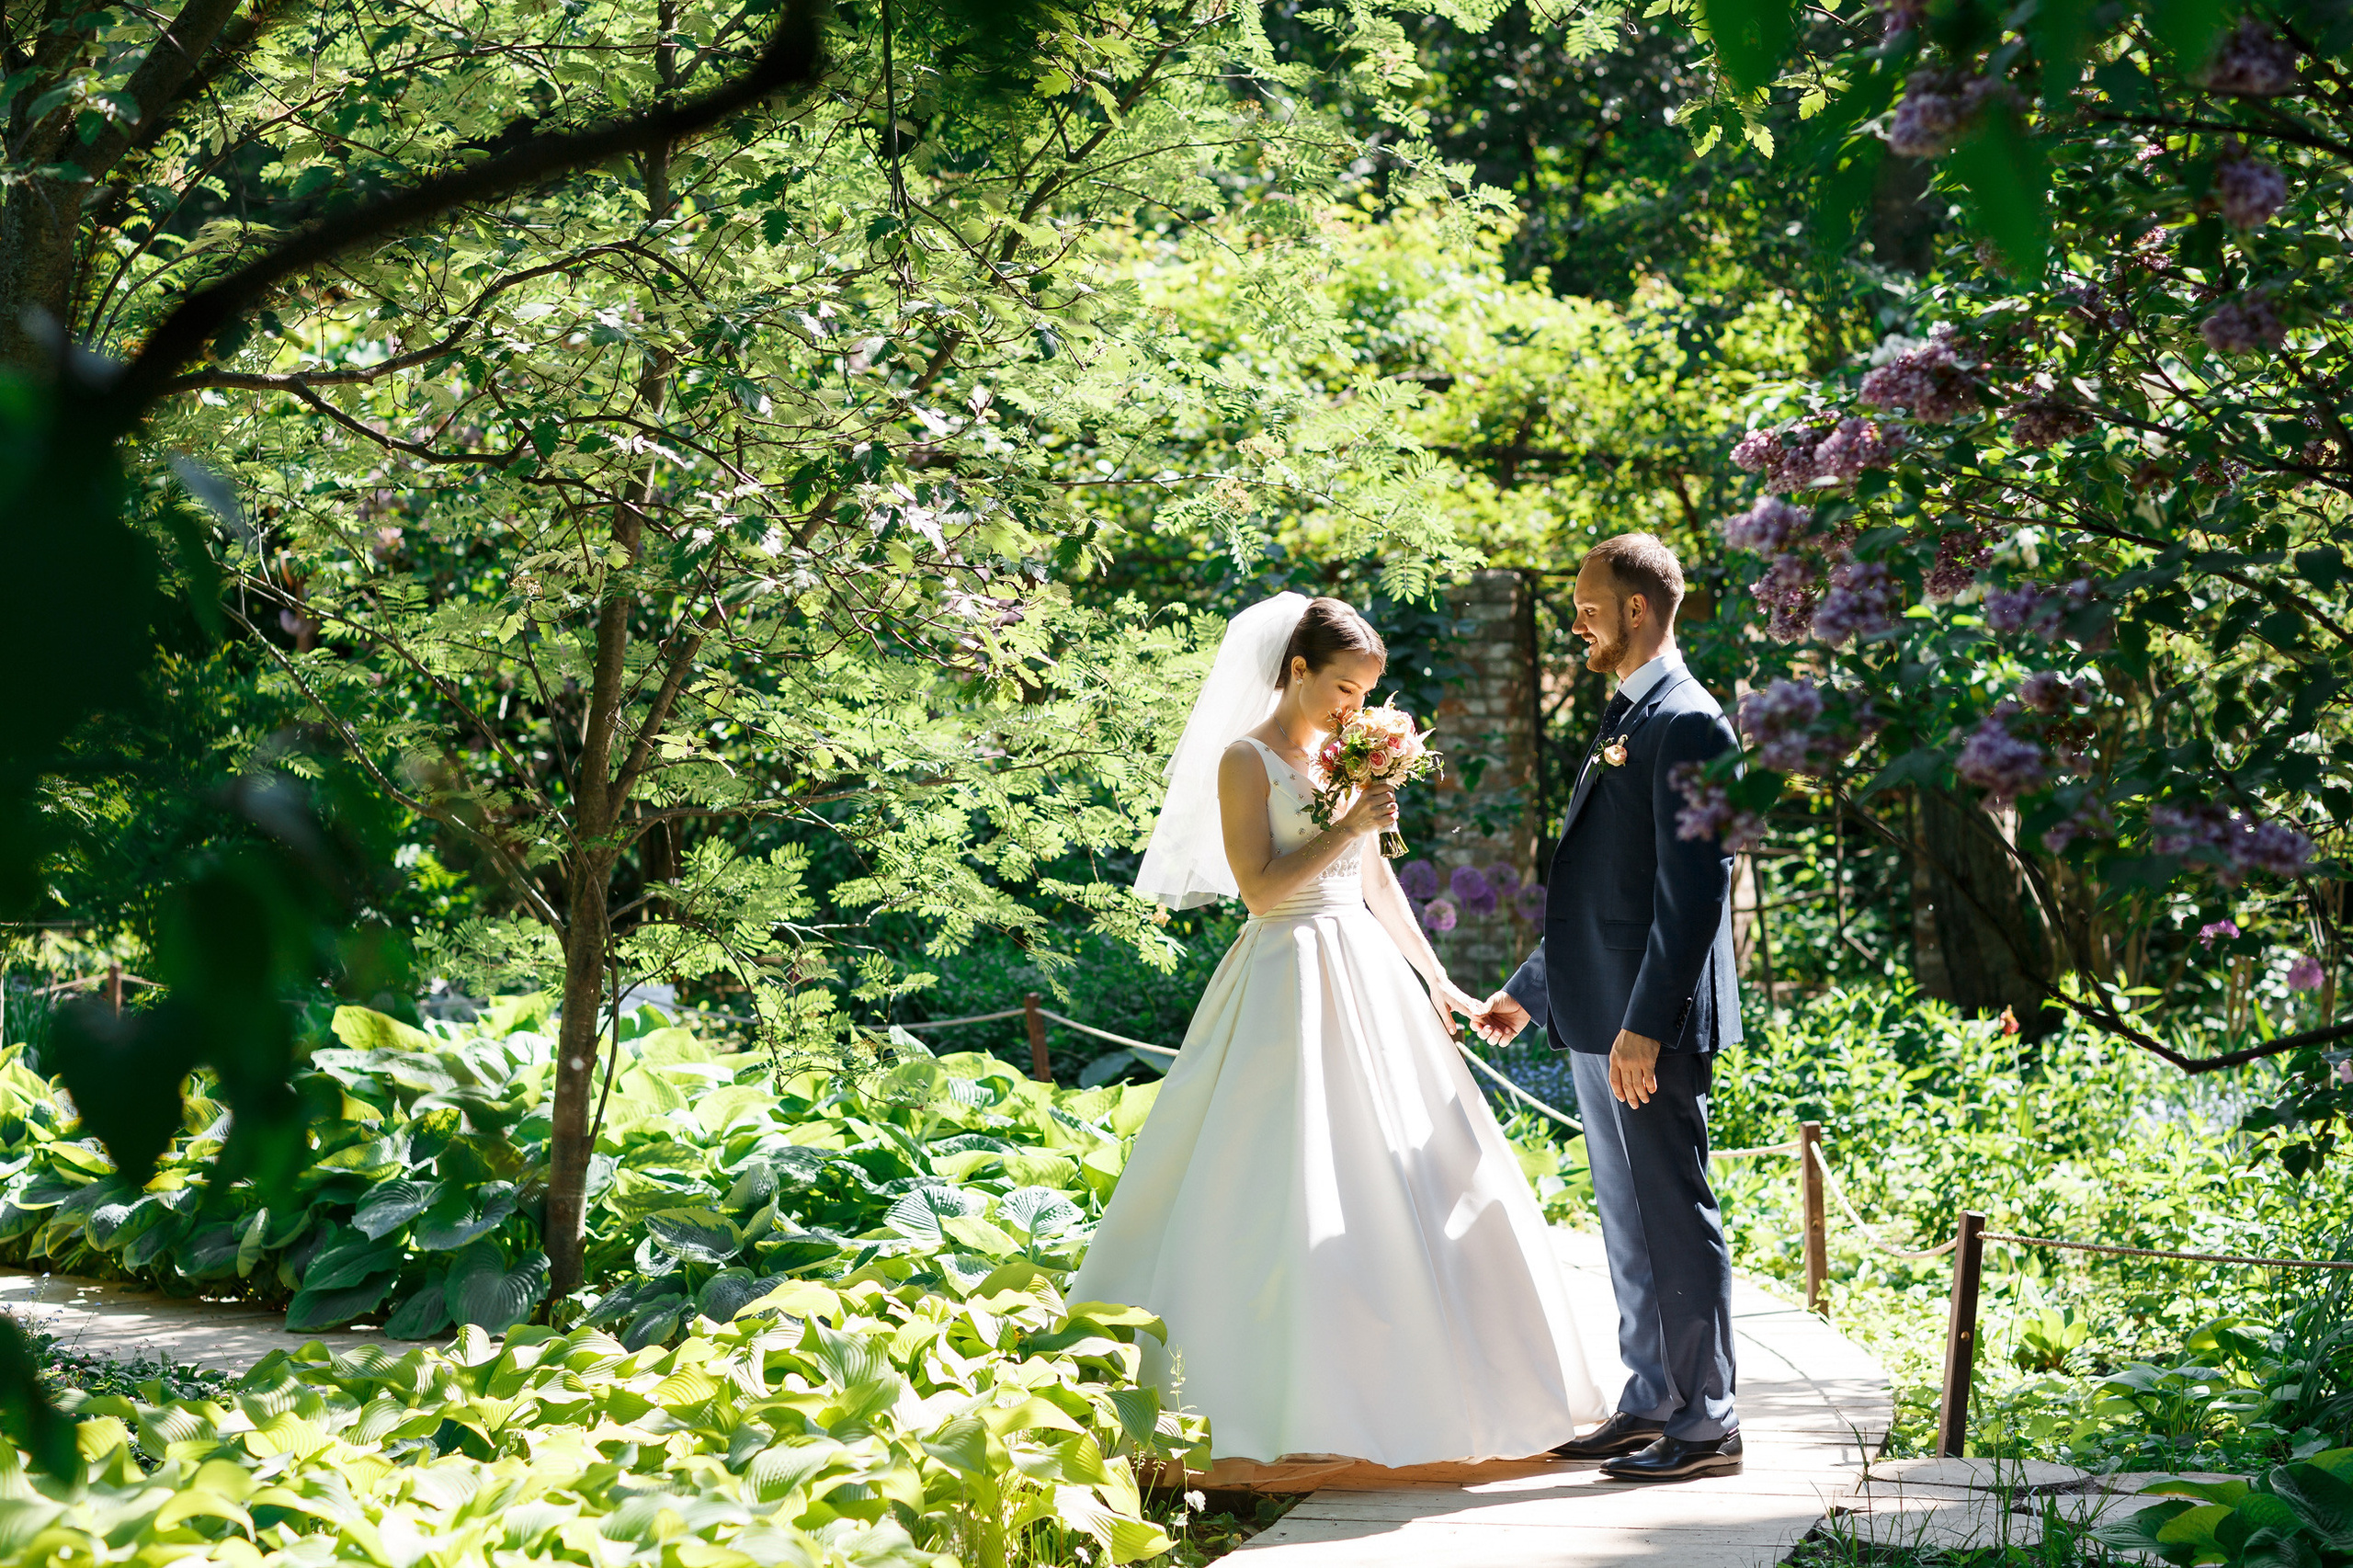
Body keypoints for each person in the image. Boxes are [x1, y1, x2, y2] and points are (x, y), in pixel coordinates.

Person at [1073, 593, 1603, 1467]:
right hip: (1284, 969)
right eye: (1343, 689)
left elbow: (1376, 884)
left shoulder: (1344, 752)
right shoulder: (1246, 761)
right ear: (1297, 670)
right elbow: (1261, 889)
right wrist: (1352, 821)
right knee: (1278, 1176)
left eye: (1365, 694)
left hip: (1365, 967)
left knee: (1410, 1175)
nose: (1354, 708)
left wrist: (1437, 983)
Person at [1475, 533, 1745, 1482]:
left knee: (1673, 1207)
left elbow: (1691, 894)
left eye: (1588, 602)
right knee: (1627, 1217)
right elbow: (1604, 888)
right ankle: (1649, 1399)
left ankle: (1707, 1420)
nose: (1576, 618)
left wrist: (1646, 1024)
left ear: (1636, 607)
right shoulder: (1628, 713)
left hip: (1646, 1026)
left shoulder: (1691, 723)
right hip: (1599, 1012)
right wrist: (1529, 988)